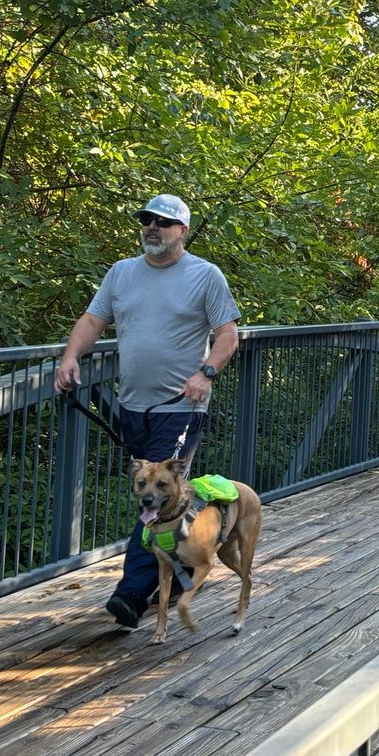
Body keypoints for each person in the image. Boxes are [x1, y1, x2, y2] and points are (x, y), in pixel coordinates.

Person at [53, 194, 242, 629]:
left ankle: (132, 594)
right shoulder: (122, 273)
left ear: (183, 231)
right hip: (131, 405)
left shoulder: (204, 276)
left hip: (182, 407)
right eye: (147, 221)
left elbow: (228, 334)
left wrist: (206, 372)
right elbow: (92, 321)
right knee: (156, 494)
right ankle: (181, 569)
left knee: (152, 498)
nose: (152, 228)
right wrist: (70, 357)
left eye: (163, 222)